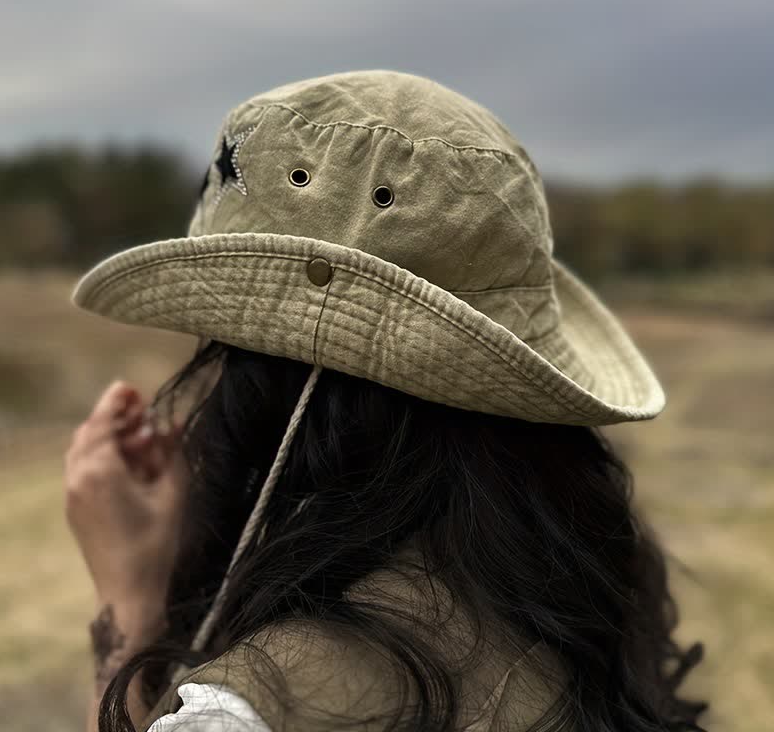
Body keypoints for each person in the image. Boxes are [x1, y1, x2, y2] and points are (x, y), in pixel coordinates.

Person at [65, 70, 709, 732]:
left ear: (269, 391)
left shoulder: (253, 709)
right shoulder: (575, 602)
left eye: (223, 353)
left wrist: (128, 601)